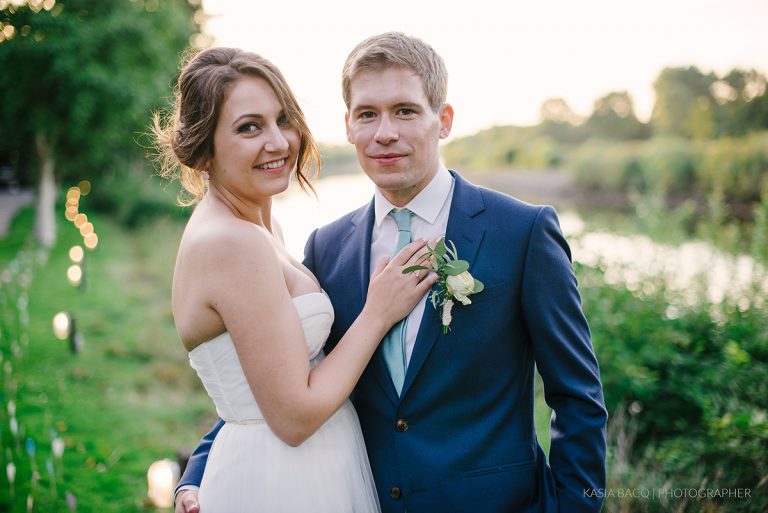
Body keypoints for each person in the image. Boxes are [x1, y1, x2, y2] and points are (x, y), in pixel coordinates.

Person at [176, 33, 608, 513]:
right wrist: (199, 474)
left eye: (404, 111)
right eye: (367, 114)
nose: (385, 132)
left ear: (442, 121)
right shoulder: (327, 248)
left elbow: (578, 399)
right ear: (348, 126)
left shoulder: (522, 233)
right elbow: (275, 378)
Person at [155, 46, 438, 513]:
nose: (280, 142)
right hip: (283, 480)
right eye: (249, 127)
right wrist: (378, 313)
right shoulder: (231, 243)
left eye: (282, 119)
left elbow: (254, 384)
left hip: (310, 465)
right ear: (203, 147)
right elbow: (291, 415)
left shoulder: (262, 230)